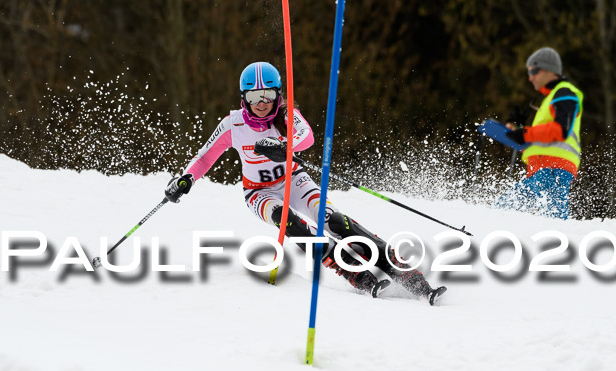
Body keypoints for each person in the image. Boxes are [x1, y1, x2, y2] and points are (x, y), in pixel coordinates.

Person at [163, 61, 445, 304]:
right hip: (258, 193)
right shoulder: (232, 125)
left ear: (278, 95)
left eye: (268, 95)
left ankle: (402, 271)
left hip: (294, 180)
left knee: (334, 221)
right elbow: (204, 158)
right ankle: (354, 273)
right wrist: (185, 180)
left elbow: (306, 137)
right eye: (254, 96)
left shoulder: (286, 115)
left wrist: (283, 145)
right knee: (288, 221)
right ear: (243, 98)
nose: (261, 104)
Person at [496, 47, 584, 219]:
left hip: (554, 169)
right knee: (549, 216)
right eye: (529, 72)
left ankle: (482, 231)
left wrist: (526, 134)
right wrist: (516, 132)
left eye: (534, 71)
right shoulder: (551, 98)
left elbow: (561, 130)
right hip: (546, 168)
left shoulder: (564, 93)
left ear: (550, 71)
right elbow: (544, 139)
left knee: (504, 210)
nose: (530, 77)